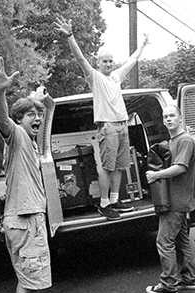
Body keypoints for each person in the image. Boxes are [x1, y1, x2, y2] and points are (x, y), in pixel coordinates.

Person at [54, 17, 149, 220]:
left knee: (121, 166)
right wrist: (70, 36)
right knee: (107, 166)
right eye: (104, 61)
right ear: (98, 63)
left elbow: (132, 60)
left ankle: (115, 200)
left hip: (123, 126)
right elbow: (80, 59)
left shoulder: (116, 77)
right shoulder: (95, 77)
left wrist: (142, 45)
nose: (108, 64)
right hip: (108, 128)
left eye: (110, 61)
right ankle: (104, 204)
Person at [0, 57, 53, 293]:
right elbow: (2, 120)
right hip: (26, 221)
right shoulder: (18, 137)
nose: (36, 118)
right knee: (30, 283)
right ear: (19, 120)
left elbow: (42, 109)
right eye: (30, 115)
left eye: (38, 115)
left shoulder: (30, 143)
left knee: (27, 279)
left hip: (22, 220)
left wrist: (38, 100)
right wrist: (0, 92)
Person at [145, 104, 195, 293]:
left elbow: (181, 167)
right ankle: (189, 278)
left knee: (164, 240)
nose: (168, 119)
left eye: (172, 116)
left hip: (177, 200)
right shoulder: (173, 140)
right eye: (165, 116)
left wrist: (156, 175)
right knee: (181, 239)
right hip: (179, 199)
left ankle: (169, 284)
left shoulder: (185, 140)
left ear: (180, 118)